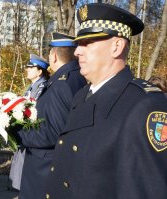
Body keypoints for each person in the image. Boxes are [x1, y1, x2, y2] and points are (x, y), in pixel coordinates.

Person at [45, 3, 167, 199]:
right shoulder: (82, 95)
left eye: (88, 43)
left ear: (116, 47)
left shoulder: (144, 105)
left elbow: (147, 190)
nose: (77, 51)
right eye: (78, 43)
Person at [14, 32, 86, 199]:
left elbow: (52, 133)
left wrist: (17, 132)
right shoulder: (76, 77)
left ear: (53, 56)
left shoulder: (61, 83)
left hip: (45, 167)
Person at [9, 53, 50, 191]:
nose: (27, 69)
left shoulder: (41, 86)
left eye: (31, 67)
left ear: (40, 71)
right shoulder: (32, 86)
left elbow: (34, 110)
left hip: (31, 134)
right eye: (27, 67)